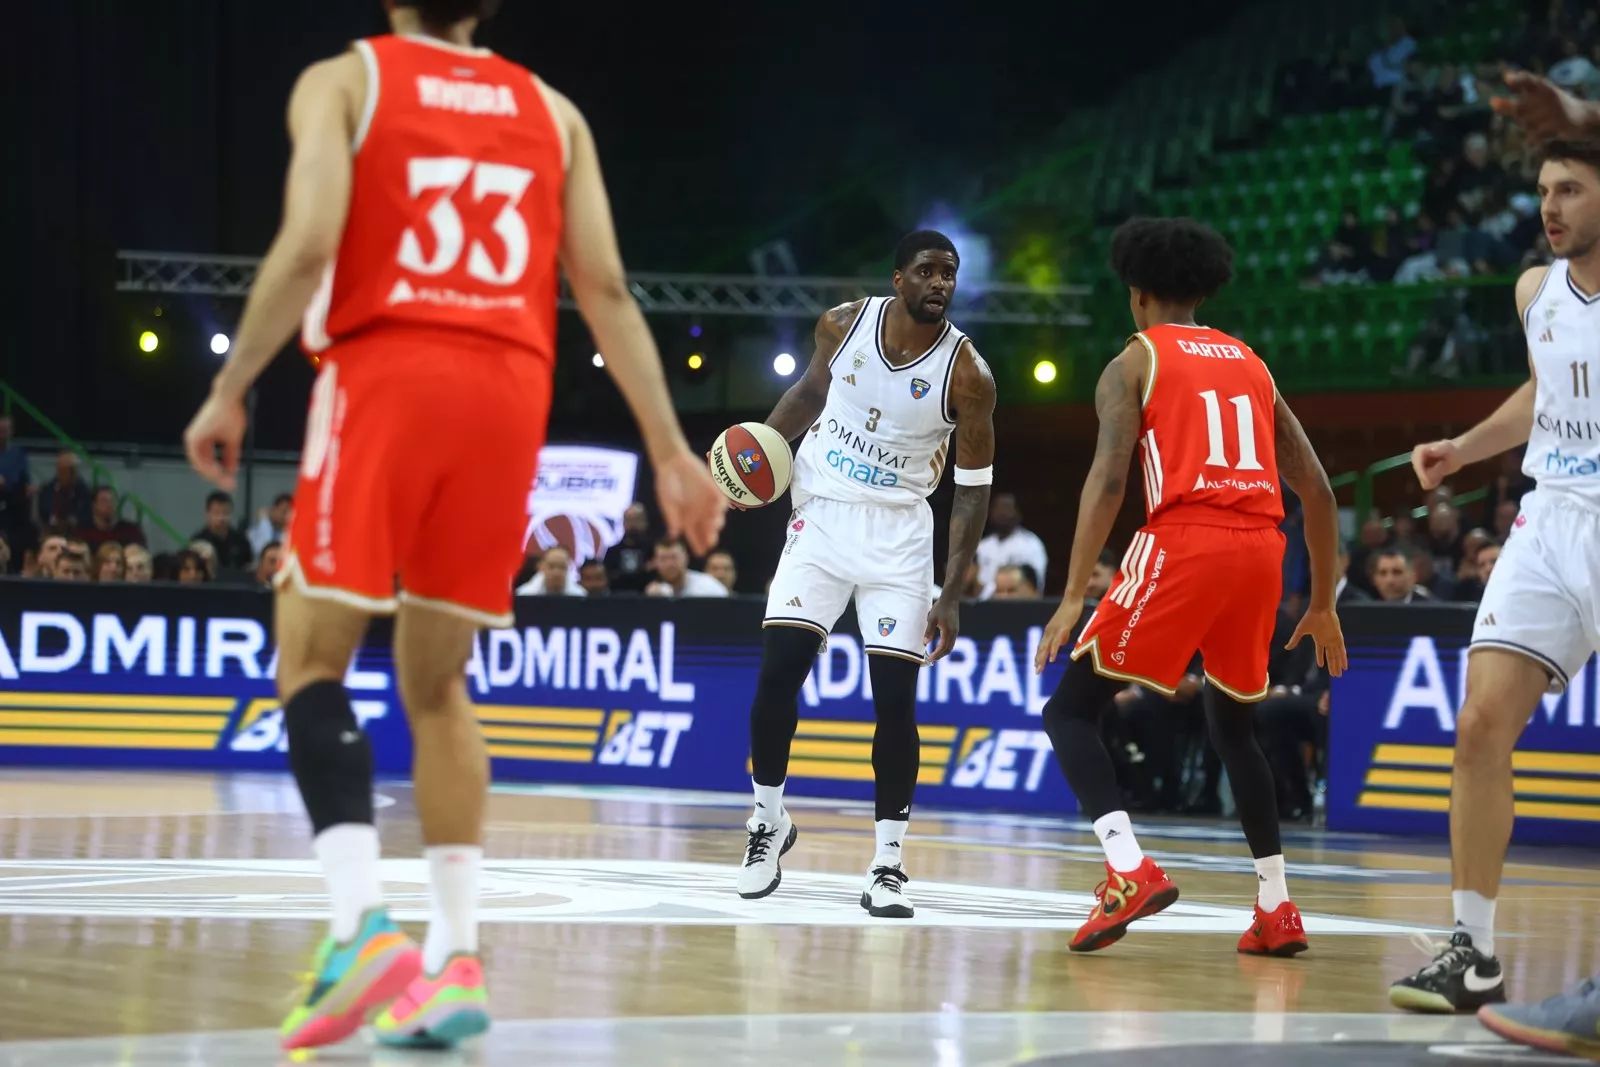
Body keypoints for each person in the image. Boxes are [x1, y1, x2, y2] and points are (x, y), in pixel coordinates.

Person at [180, 0, 724, 1052]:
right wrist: (667, 446)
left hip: (389, 367)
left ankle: (358, 927)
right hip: (509, 393)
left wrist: (230, 384)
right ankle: (457, 961)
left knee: (309, 656)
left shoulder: (347, 79)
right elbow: (605, 287)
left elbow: (309, 245)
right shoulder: (555, 113)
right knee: (438, 683)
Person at [1031, 217, 1346, 956]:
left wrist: (1073, 594)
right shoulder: (1252, 363)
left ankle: (1128, 870)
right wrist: (1324, 602)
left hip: (1186, 540)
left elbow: (1110, 479)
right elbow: (1319, 490)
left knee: (1069, 710)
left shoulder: (1133, 360)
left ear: (1135, 292)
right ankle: (1276, 906)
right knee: (1233, 728)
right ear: (1203, 290)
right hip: (1262, 551)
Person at [1392, 140, 1600, 1028]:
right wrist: (1464, 448)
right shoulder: (1533, 291)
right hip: (1549, 517)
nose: (1550, 206)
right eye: (1545, 190)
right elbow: (1543, 389)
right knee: (1480, 723)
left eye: (1571, 190)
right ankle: (1472, 952)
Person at [735, 229, 996, 919]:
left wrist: (952, 592)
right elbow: (808, 391)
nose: (940, 283)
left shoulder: (969, 375)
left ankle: (888, 863)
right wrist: (759, 456)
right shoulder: (841, 325)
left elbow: (973, 489)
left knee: (894, 704)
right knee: (778, 675)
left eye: (949, 273)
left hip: (900, 537)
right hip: (821, 517)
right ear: (898, 277)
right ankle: (767, 821)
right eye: (927, 271)